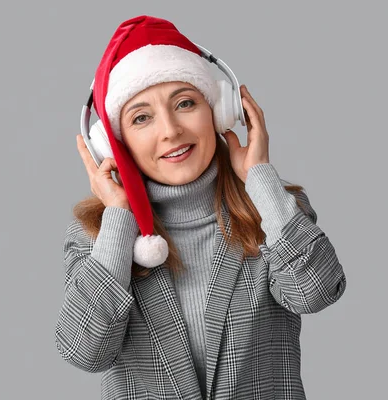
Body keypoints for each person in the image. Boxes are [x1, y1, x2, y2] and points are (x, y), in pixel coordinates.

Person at [55, 15, 347, 400]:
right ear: (113, 145)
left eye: (185, 103)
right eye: (142, 118)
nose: (171, 130)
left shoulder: (272, 211)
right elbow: (84, 351)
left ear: (220, 111)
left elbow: (316, 292)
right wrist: (119, 219)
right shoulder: (96, 239)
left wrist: (260, 177)